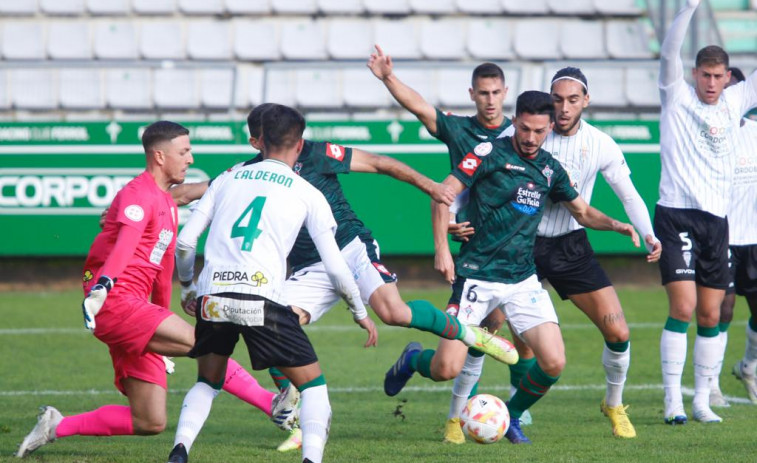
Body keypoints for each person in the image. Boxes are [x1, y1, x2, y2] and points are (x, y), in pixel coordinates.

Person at [170, 103, 519, 452]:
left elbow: (381, 163)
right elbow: (187, 193)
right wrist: (137, 203)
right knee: (276, 325)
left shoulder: (319, 155)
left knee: (393, 313)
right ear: (256, 141)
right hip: (311, 266)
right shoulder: (246, 173)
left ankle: (470, 334)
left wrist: (431, 187)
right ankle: (297, 413)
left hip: (350, 248)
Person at [16, 121, 296, 459]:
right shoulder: (137, 194)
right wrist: (104, 285)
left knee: (149, 419)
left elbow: (161, 273)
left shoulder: (166, 203)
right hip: (114, 302)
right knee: (207, 344)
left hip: (135, 309)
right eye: (184, 152)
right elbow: (125, 245)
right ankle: (272, 403)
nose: (190, 158)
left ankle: (55, 425)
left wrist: (165, 313)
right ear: (160, 156)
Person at [383, 91, 640, 445]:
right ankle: (413, 358)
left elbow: (582, 212)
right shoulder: (488, 153)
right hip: (476, 275)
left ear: (549, 127)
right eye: (524, 129)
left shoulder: (550, 169)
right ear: (515, 121)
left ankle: (512, 415)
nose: (530, 138)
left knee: (553, 362)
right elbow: (444, 193)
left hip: (522, 280)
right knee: (445, 369)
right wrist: (442, 247)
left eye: (538, 131)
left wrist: (616, 224)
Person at [441, 66, 663, 443]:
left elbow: (617, 198)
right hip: (515, 244)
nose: (563, 108)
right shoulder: (516, 135)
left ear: (585, 101)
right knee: (486, 332)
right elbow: (462, 183)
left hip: (568, 245)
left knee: (617, 329)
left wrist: (644, 231)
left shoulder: (599, 145)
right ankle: (458, 418)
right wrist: (450, 219)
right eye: (557, 99)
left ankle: (612, 404)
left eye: (572, 100)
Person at [166, 104, 368, 463]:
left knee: (208, 382)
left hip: (213, 298)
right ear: (299, 143)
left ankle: (180, 449)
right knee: (313, 386)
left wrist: (187, 288)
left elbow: (185, 242)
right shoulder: (308, 192)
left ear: (261, 142)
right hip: (262, 300)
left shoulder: (227, 179)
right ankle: (312, 459)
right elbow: (337, 268)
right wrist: (358, 310)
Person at [367, 47, 531, 421]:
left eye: (495, 92)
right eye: (482, 93)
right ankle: (415, 359)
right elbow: (422, 109)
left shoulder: (522, 132)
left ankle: (510, 413)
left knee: (505, 326)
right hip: (474, 248)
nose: (490, 100)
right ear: (472, 94)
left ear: (505, 92)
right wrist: (388, 77)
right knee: (452, 358)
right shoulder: (462, 129)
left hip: (514, 247)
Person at [656, 0, 757, 425]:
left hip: (717, 222)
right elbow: (667, 53)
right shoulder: (675, 96)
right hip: (676, 214)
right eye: (705, 75)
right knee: (682, 308)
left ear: (727, 77)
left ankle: (701, 400)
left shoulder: (736, 101)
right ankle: (672, 401)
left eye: (718, 76)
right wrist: (689, 9)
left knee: (711, 314)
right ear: (694, 73)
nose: (712, 83)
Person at [711, 67, 757, 406]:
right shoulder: (708, 136)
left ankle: (749, 367)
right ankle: (710, 383)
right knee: (721, 309)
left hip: (754, 238)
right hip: (721, 237)